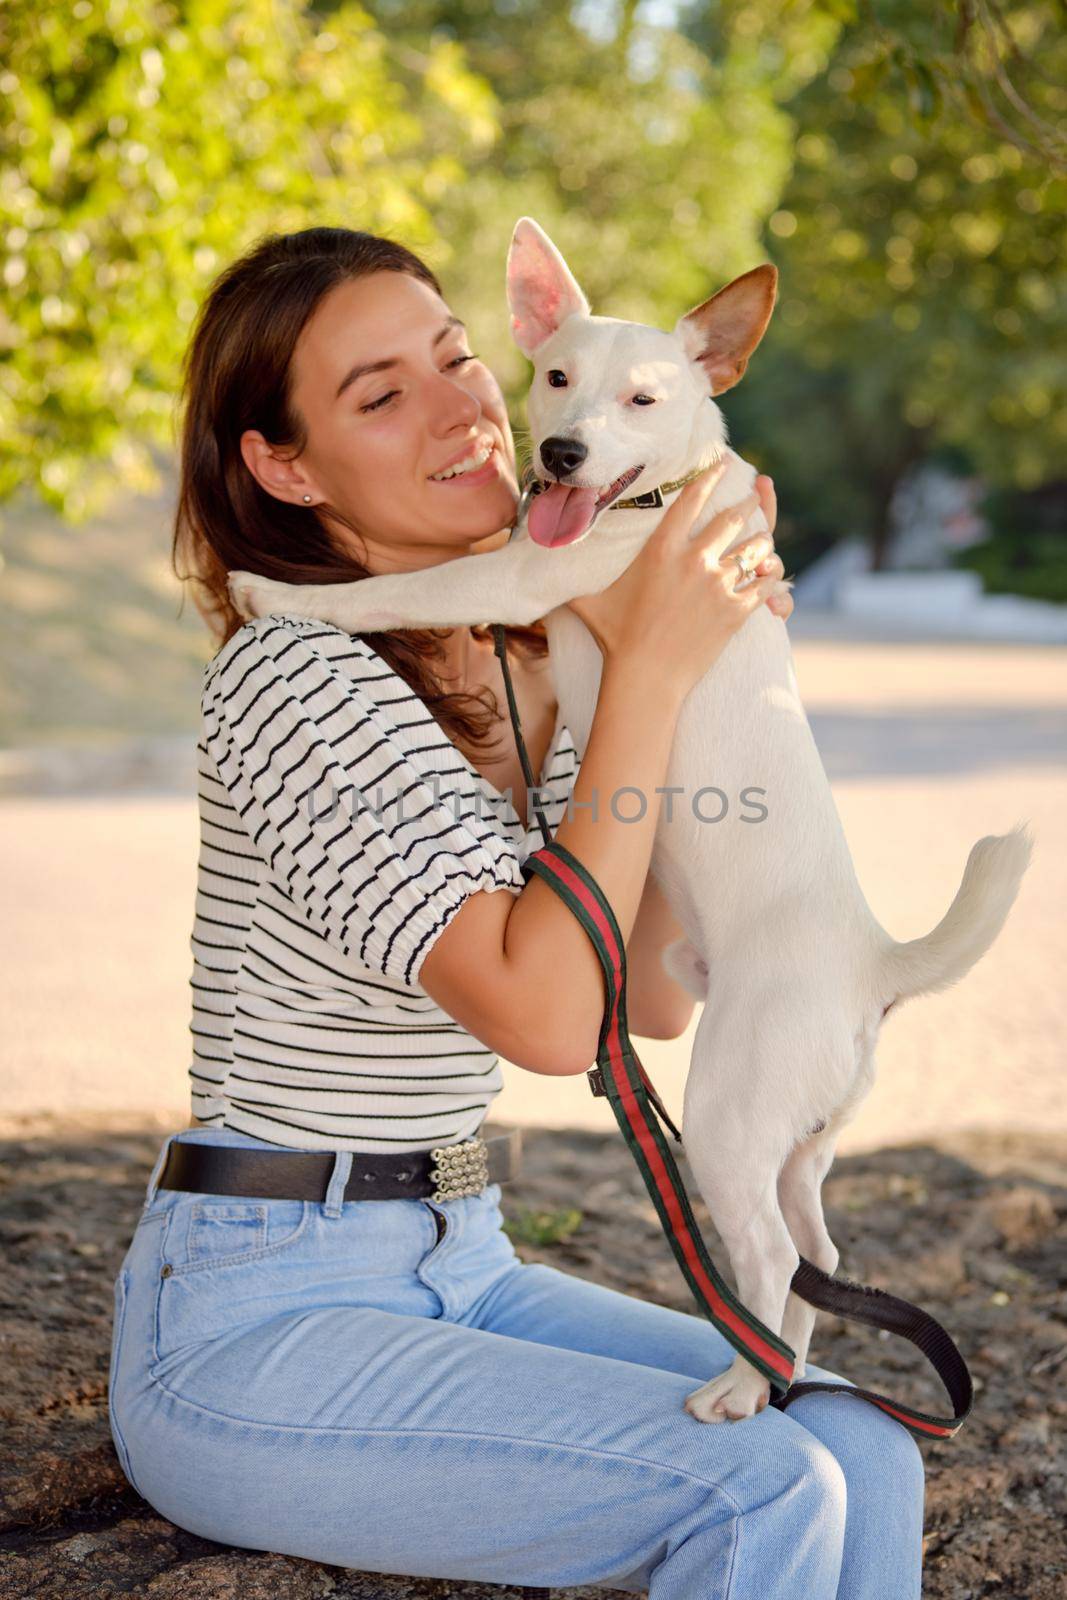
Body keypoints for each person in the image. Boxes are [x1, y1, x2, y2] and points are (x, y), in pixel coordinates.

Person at [107, 226, 925, 1599]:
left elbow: (650, 998)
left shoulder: (535, 657)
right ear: (284, 466)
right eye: (381, 395)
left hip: (461, 1255)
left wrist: (707, 657)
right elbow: (550, 1017)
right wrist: (657, 670)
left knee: (862, 1437)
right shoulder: (294, 677)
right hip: (264, 1310)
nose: (461, 410)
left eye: (457, 359)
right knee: (764, 1482)